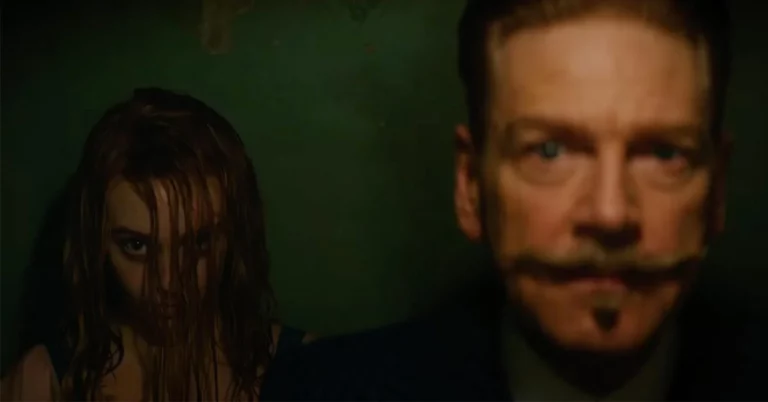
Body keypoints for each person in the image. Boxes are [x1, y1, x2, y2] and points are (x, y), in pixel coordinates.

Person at [261, 0, 766, 400]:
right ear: (470, 186)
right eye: (548, 151)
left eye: (663, 153)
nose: (610, 213)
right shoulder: (320, 391)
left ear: (717, 189)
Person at [0, 88, 308, 401]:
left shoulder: (308, 371)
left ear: (233, 234)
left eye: (198, 243)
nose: (169, 282)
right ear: (97, 244)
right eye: (136, 245)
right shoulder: (43, 382)